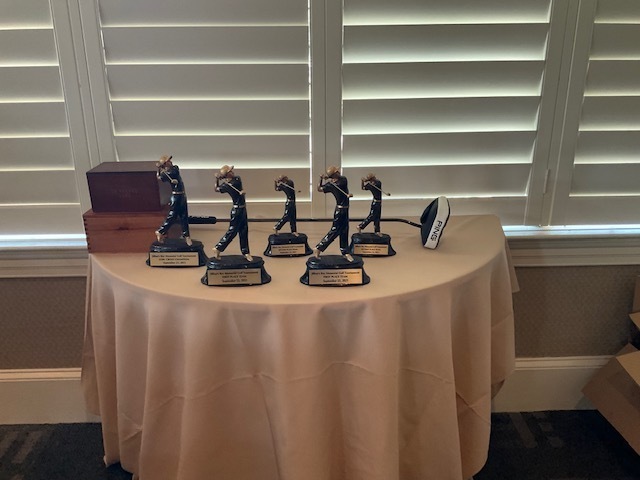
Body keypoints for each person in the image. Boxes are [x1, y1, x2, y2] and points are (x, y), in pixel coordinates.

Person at [211, 165, 252, 261]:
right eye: (230, 171)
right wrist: (217, 179)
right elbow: (216, 189)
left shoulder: (237, 179)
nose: (232, 172)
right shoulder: (227, 185)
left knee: (244, 230)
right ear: (227, 174)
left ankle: (246, 252)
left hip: (243, 209)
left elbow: (235, 184)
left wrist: (221, 178)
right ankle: (218, 248)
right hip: (236, 211)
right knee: (232, 231)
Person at [314, 166, 353, 262]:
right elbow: (319, 189)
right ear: (335, 173)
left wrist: (325, 179)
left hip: (345, 209)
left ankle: (345, 252)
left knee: (344, 231)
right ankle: (319, 247)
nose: (339, 171)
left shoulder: (341, 181)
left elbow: (321, 188)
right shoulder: (333, 184)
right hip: (339, 211)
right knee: (335, 231)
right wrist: (323, 179)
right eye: (337, 171)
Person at [155, 155, 192, 246]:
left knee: (184, 216)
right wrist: (159, 169)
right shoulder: (166, 174)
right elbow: (159, 177)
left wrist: (162, 170)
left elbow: (172, 172)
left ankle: (186, 236)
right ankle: (161, 231)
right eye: (168, 161)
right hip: (176, 196)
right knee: (172, 216)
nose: (171, 162)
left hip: (182, 195)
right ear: (165, 164)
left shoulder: (174, 169)